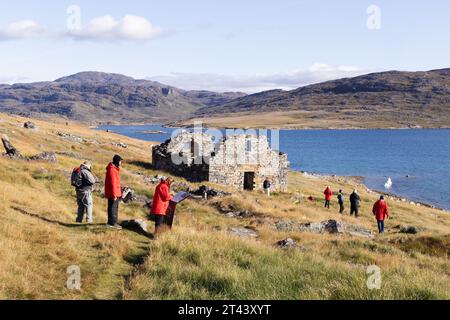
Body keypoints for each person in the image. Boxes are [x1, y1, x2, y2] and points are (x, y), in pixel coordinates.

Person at [105, 155, 123, 229]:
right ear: (117, 161)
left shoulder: (113, 169)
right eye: (120, 161)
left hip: (113, 192)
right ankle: (113, 223)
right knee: (113, 207)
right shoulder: (112, 170)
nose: (121, 162)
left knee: (112, 207)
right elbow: (113, 183)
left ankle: (111, 222)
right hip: (113, 193)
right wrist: (114, 194)